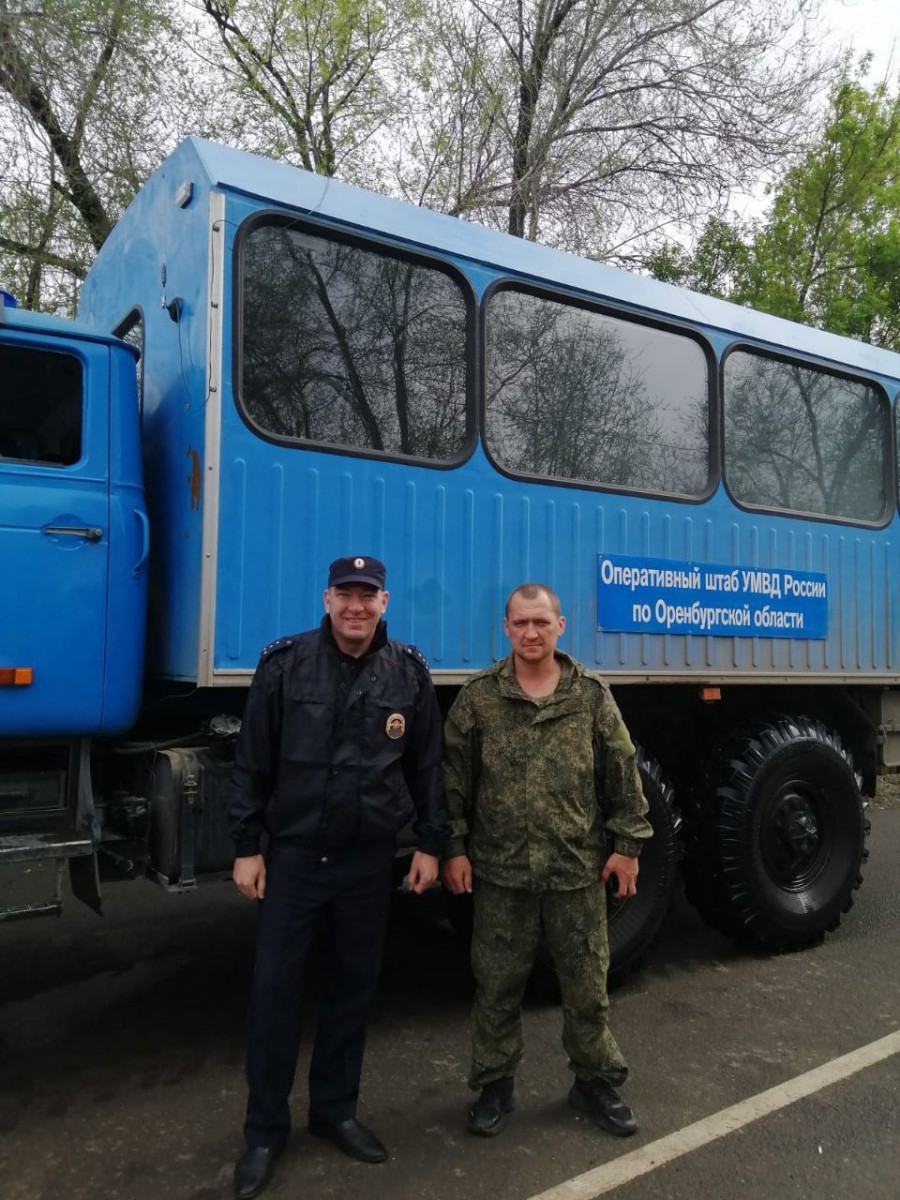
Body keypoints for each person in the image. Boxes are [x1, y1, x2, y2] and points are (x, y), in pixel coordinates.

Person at [229, 555, 446, 1199]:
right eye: (345, 595)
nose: (356, 606)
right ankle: (264, 1133)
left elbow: (427, 766)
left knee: (352, 991)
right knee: (275, 995)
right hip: (295, 859)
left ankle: (334, 1112)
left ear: (385, 603)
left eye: (367, 596)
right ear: (326, 600)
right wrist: (246, 847)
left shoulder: (408, 673)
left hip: (367, 862)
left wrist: (431, 844)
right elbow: (252, 761)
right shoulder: (284, 665)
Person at [442, 582, 652, 1140]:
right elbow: (452, 783)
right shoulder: (479, 699)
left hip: (574, 871)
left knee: (587, 986)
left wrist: (628, 849)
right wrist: (453, 850)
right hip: (501, 873)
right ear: (506, 628)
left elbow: (623, 775)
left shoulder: (591, 696)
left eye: (541, 622)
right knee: (496, 986)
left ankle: (595, 1081)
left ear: (560, 626)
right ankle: (495, 1084)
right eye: (521, 623)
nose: (531, 633)